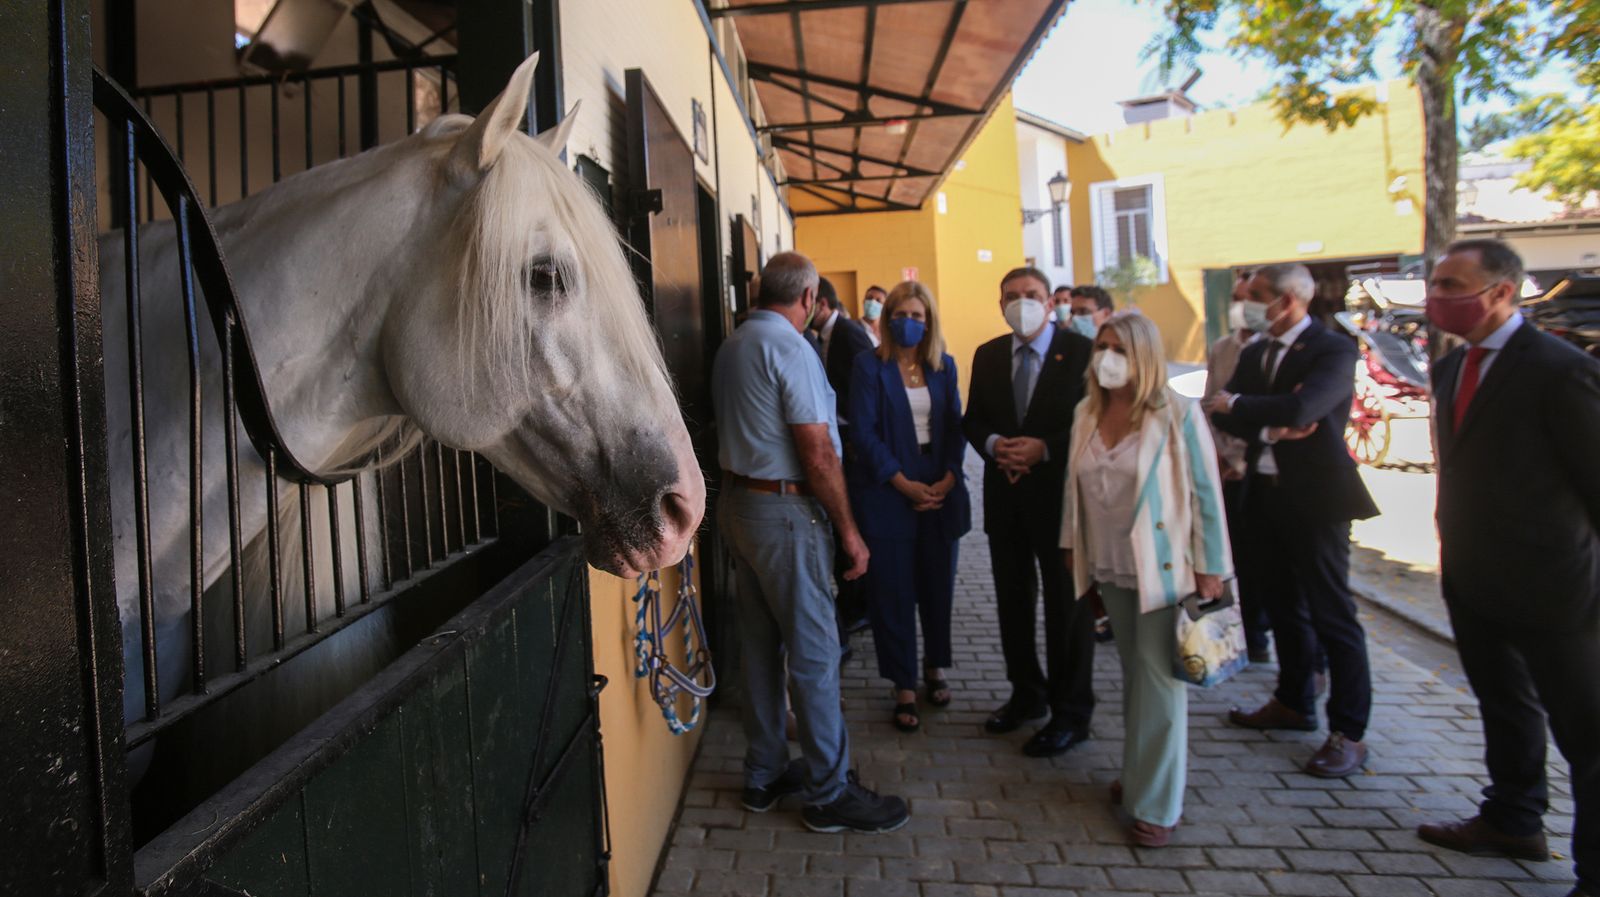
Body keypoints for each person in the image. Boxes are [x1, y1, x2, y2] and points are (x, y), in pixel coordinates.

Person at [1415, 240, 1600, 897]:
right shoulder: (1449, 369)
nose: (1436, 297)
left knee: (1586, 730)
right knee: (1504, 703)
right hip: (1474, 574)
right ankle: (1513, 816)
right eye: (1434, 283)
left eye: (1451, 284)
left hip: (1555, 587)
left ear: (1501, 292)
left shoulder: (1559, 368)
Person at [711, 251, 908, 833]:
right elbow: (817, 451)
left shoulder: (734, 344)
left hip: (740, 505)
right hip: (786, 512)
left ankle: (765, 771)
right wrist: (849, 532)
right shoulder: (789, 348)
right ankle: (828, 792)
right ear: (808, 296)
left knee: (759, 645)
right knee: (815, 654)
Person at [1061, 310, 1232, 847]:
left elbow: (1206, 493)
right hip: (1110, 564)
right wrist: (1074, 553)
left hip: (1163, 568)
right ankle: (1141, 773)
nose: (1107, 357)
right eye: (1102, 347)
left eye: (1120, 348)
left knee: (1160, 683)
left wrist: (1211, 568)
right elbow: (1074, 490)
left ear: (1145, 357)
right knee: (1136, 676)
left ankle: (1157, 803)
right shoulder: (1086, 411)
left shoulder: (1176, 413)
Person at [1205, 262, 1379, 779]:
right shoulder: (1258, 351)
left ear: (1288, 301)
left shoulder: (1331, 349)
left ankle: (1349, 732)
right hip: (1262, 496)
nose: (1247, 304)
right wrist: (1274, 423)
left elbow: (1305, 408)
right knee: (1281, 606)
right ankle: (1293, 700)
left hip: (1317, 501)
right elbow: (1220, 409)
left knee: (1332, 615)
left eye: (1256, 295)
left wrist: (1261, 411)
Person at [962, 266, 1098, 757]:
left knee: (1068, 608)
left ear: (1050, 302)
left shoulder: (1082, 353)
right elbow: (973, 418)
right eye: (1013, 296)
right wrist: (998, 446)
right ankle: (1027, 694)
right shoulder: (989, 354)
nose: (1024, 303)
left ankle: (1071, 712)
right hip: (1006, 498)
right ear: (1000, 305)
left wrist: (1044, 450)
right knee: (1013, 602)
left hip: (1061, 503)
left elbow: (1096, 423)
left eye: (1033, 295)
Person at [847, 281, 971, 733]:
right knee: (893, 594)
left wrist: (949, 477)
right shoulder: (868, 366)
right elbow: (862, 432)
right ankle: (903, 684)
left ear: (929, 321)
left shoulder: (944, 367)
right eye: (902, 313)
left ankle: (935, 667)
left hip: (940, 492)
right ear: (888, 317)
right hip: (887, 493)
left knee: (937, 589)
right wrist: (903, 483)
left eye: (919, 316)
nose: (910, 322)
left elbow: (957, 426)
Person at [1204, 270, 1271, 662]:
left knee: (1260, 559)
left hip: (1254, 467)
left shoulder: (1270, 349)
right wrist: (1217, 456)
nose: (1242, 305)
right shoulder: (1223, 347)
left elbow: (1263, 414)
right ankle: (1234, 630)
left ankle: (1259, 634)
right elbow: (1213, 404)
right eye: (1237, 297)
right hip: (1221, 466)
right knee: (1229, 554)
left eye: (1252, 297)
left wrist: (1242, 459)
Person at [809, 276, 877, 642]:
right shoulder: (824, 337)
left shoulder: (849, 334)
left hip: (851, 444)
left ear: (820, 303)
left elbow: (862, 393)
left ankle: (860, 607)